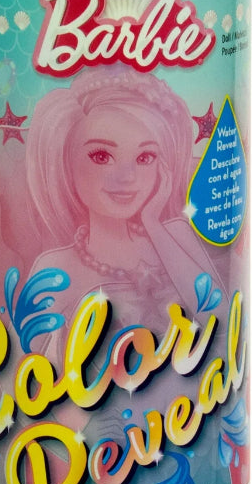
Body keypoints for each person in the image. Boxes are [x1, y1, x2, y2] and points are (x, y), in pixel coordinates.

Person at [25, 65, 218, 322]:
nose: (127, 177)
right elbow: (23, 346)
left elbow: (221, 320)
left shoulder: (176, 235)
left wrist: (152, 222)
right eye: (101, 156)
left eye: (145, 157)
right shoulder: (55, 270)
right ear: (65, 163)